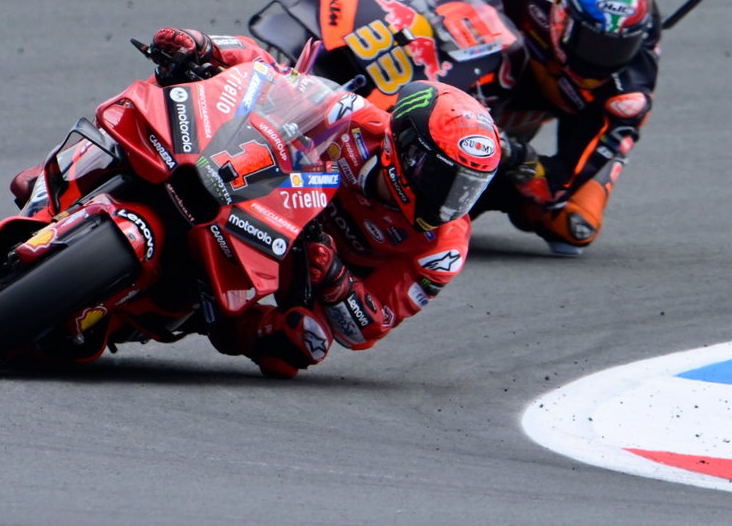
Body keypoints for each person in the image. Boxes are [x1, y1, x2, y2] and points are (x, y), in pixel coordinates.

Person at [141, 27, 501, 379]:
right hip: (256, 194)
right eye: (442, 180)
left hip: (298, 266)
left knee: (303, 343)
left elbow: (370, 329)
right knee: (178, 104)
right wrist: (206, 46)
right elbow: (272, 75)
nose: (451, 199)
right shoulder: (358, 120)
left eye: (467, 188)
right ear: (406, 150)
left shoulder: (443, 248)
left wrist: (335, 280)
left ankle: (215, 319)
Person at [329, 0, 656, 256]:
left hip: (583, 116)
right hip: (507, 72)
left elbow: (556, 185)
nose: (601, 59)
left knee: (573, 225)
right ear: (562, 14)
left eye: (617, 48)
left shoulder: (626, 98)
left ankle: (451, 196)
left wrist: (514, 154)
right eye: (593, 43)